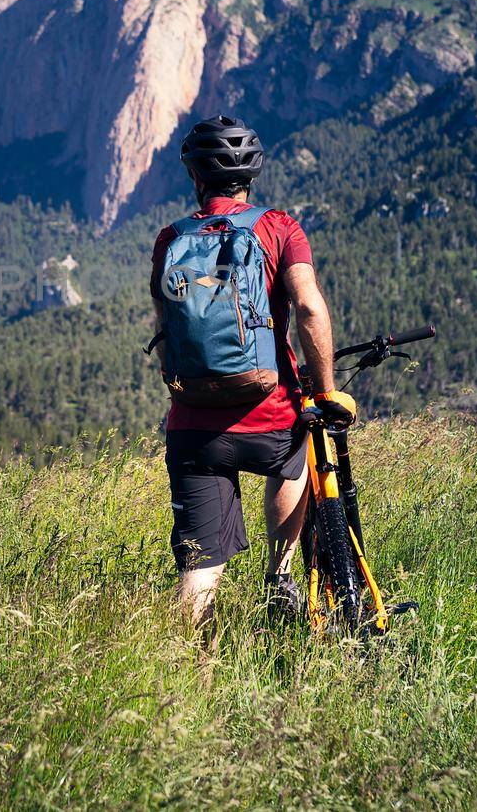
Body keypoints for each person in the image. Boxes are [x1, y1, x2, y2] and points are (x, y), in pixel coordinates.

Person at [150, 115, 357, 631]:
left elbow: (165, 328)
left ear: (195, 176)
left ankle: (194, 684)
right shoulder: (279, 227)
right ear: (252, 174)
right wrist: (327, 390)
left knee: (199, 569)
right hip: (270, 415)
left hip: (194, 424)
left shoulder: (170, 238)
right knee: (293, 460)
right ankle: (280, 575)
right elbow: (309, 309)